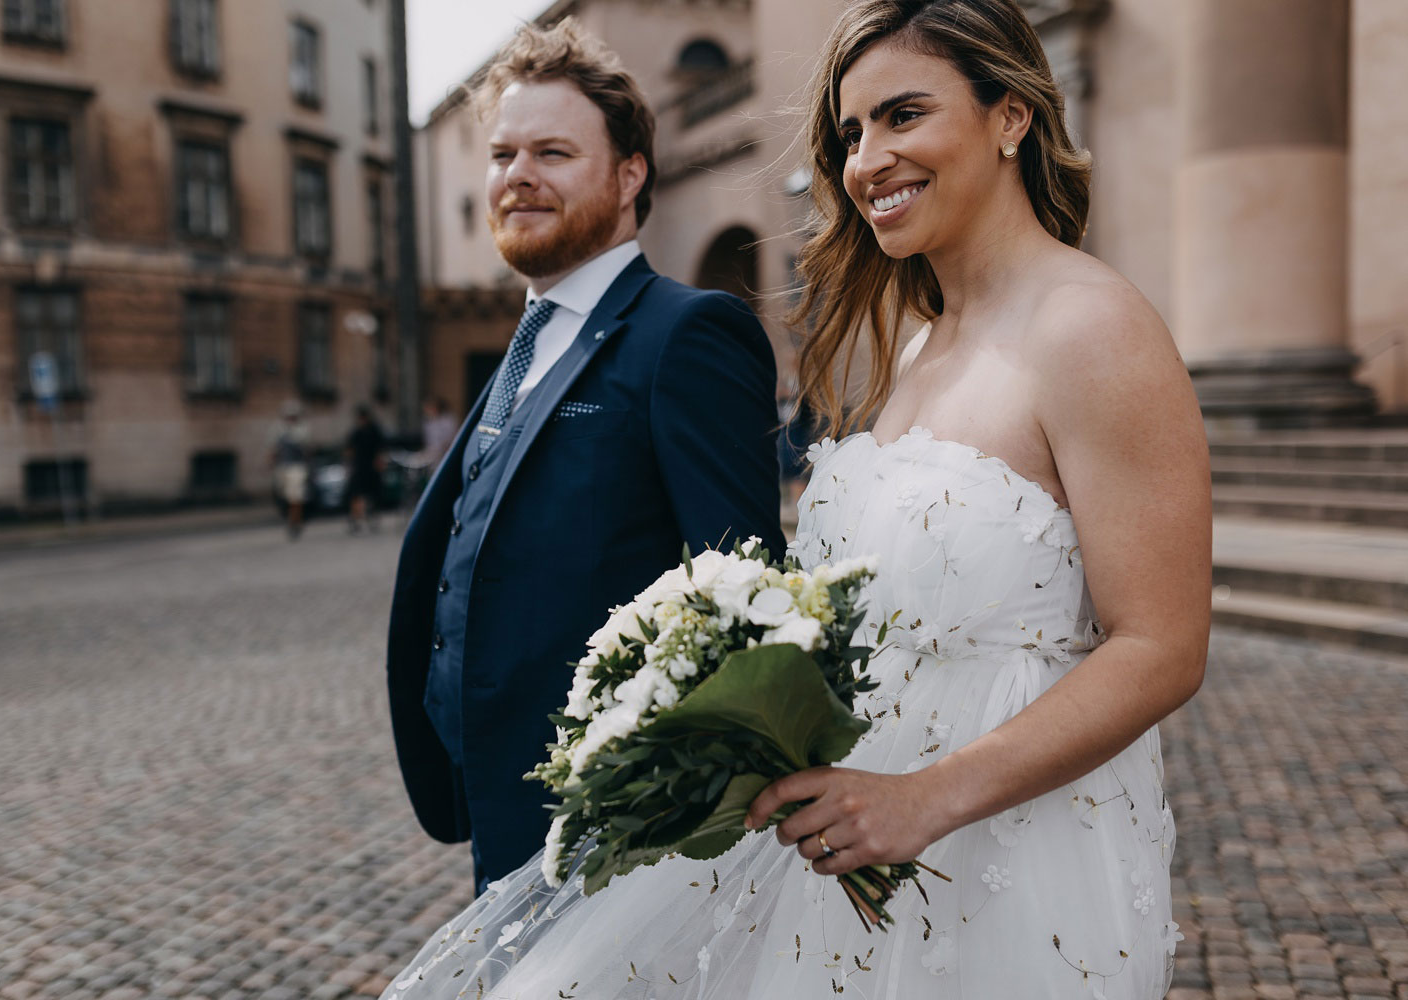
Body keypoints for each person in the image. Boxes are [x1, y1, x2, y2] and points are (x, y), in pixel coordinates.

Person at [375, 1, 1210, 997]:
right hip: (845, 851)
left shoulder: (1094, 327)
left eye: (904, 115)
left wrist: (926, 798)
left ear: (1010, 118)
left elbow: (1160, 646)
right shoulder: (914, 346)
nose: (866, 161)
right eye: (852, 133)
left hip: (997, 852)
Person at [384, 18, 785, 898]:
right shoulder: (527, 346)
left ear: (629, 174)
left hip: (624, 846)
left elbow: (748, 602)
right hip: (502, 815)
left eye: (553, 153)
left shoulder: (688, 335)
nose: (518, 176)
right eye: (501, 155)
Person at [268, 400, 310, 541]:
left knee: (295, 497)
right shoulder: (279, 430)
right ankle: (293, 520)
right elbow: (274, 450)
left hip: (296, 468)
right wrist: (271, 463)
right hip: (283, 468)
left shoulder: (302, 431)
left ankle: (295, 522)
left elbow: (306, 451)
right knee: (285, 497)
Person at [344, 403, 386, 534]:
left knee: (372, 493)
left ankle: (370, 515)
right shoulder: (356, 432)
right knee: (356, 494)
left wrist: (379, 462)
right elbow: (349, 450)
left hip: (370, 466)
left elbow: (381, 448)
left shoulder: (374, 431)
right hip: (360, 466)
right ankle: (356, 518)